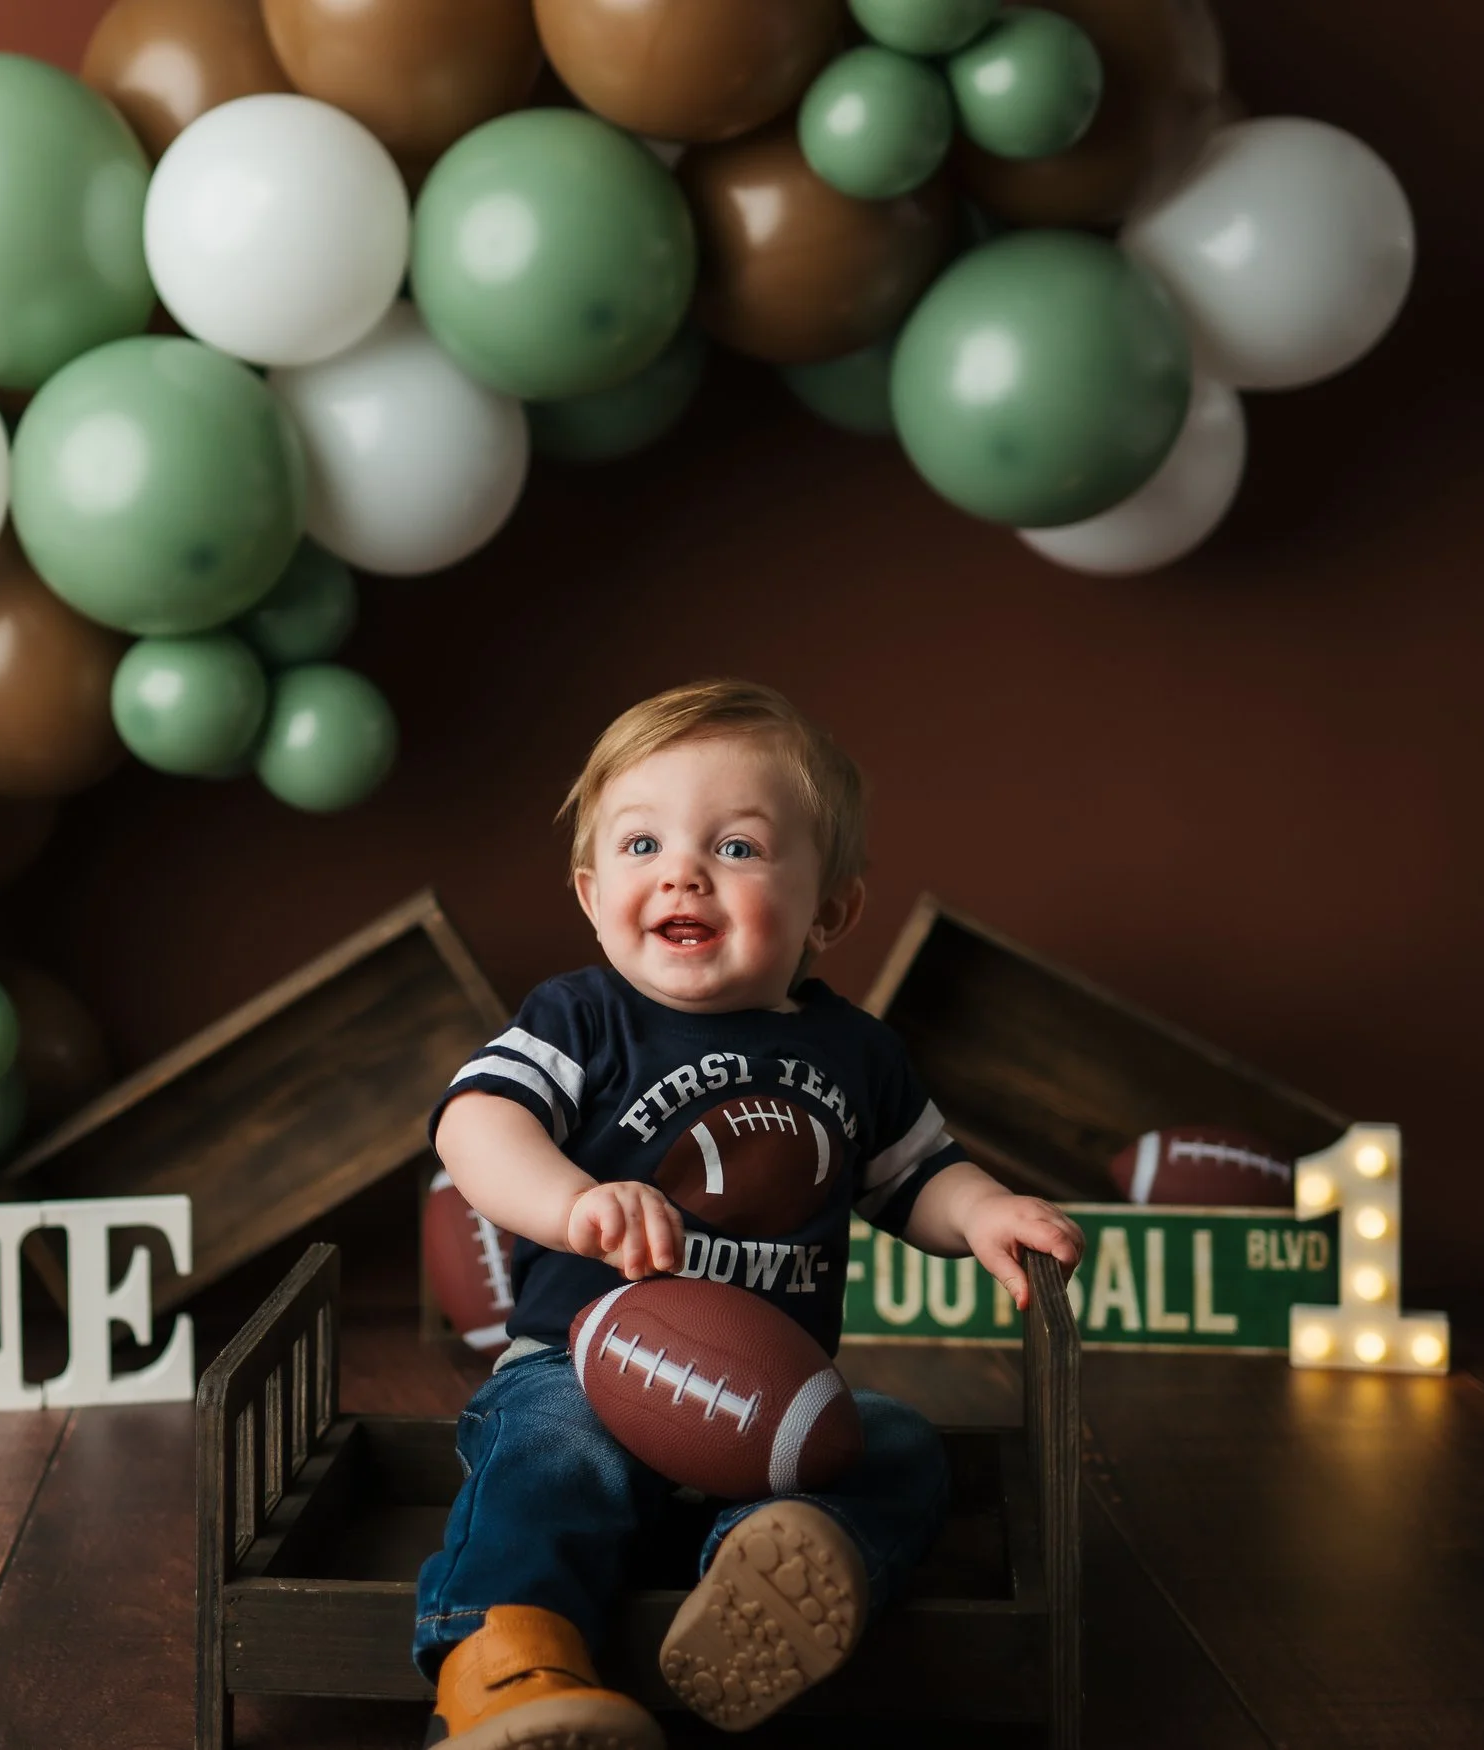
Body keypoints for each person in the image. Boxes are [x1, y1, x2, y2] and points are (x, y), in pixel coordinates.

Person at [416, 679, 1087, 1748]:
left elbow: (917, 1178)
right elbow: (474, 1125)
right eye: (641, 846)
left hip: (773, 1409)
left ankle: (769, 1570)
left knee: (902, 1443)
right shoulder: (581, 1018)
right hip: (584, 1363)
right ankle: (508, 1665)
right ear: (591, 894)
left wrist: (987, 1211)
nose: (682, 869)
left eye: (735, 848)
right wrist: (573, 1200)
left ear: (831, 908)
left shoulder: (856, 1052)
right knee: (546, 1453)